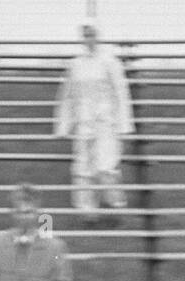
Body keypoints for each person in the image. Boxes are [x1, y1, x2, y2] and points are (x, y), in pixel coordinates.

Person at [54, 20, 133, 214]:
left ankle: (116, 206)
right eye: (85, 34)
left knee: (106, 167)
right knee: (83, 169)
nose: (89, 38)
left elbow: (121, 93)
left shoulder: (110, 62)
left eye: (92, 34)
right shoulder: (75, 64)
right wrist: (63, 125)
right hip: (83, 122)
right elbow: (67, 96)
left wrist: (124, 125)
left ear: (98, 35)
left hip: (106, 123)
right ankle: (87, 211)